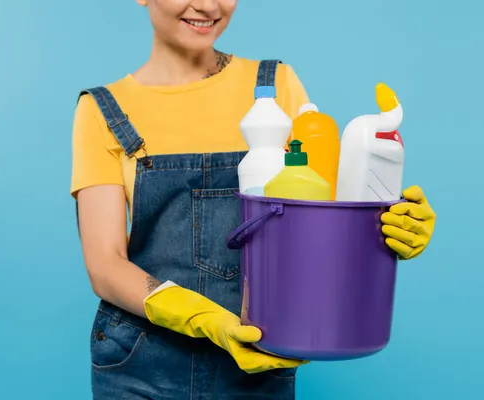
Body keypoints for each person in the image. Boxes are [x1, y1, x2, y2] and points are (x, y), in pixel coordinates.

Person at [70, 1, 437, 399]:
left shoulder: (276, 86)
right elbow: (104, 265)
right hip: (139, 363)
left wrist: (382, 226)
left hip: (257, 358)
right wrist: (202, 318)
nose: (208, 6)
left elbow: (315, 218)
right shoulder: (103, 110)